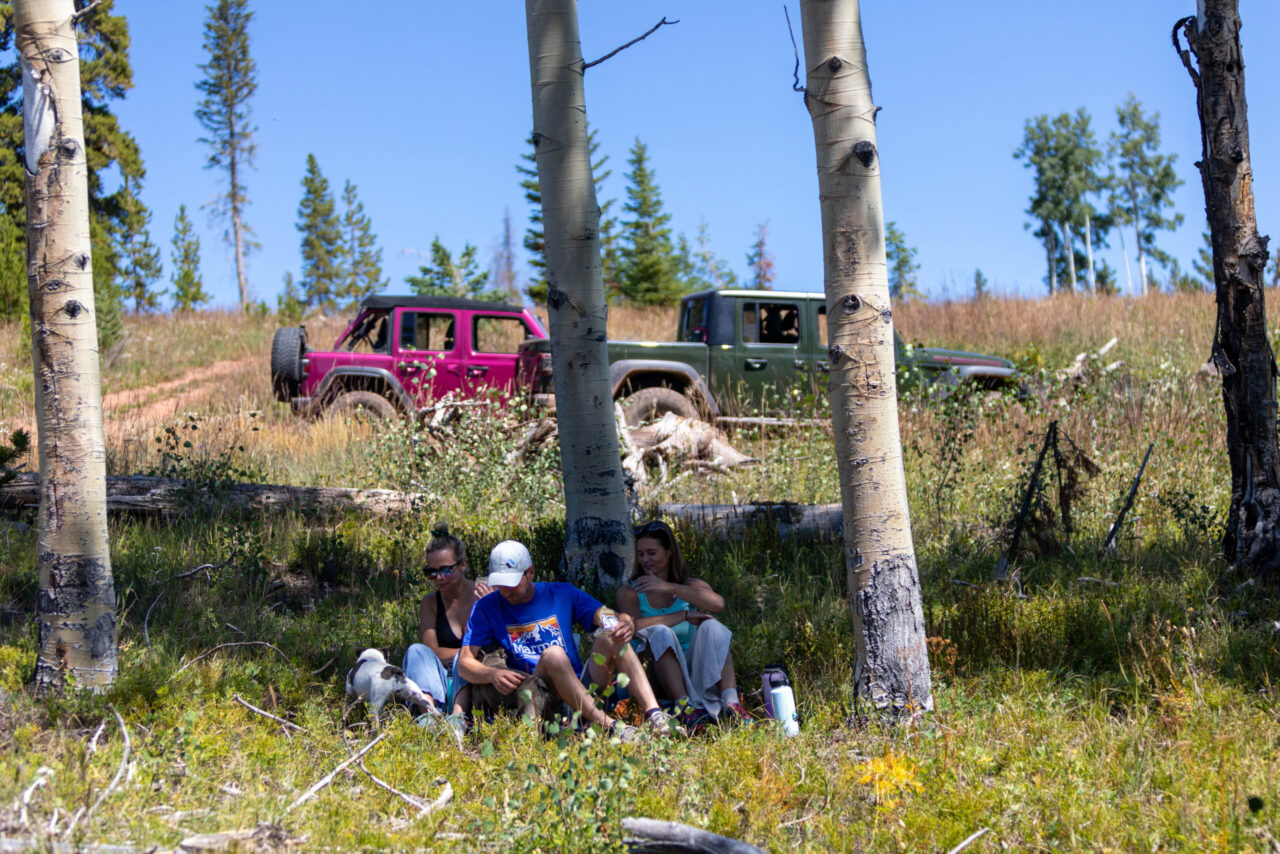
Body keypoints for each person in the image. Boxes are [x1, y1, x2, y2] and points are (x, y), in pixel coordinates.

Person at [457, 540, 684, 741]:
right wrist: (492, 674)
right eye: (501, 584)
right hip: (539, 695)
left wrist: (623, 621)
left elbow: (603, 616)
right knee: (553, 654)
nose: (506, 591)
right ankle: (611, 727)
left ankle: (655, 715)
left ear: (531, 573)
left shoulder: (561, 593)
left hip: (581, 688)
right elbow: (464, 663)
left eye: (513, 582)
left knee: (611, 635)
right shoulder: (486, 607)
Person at [617, 520, 748, 728]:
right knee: (659, 633)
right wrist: (682, 615)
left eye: (651, 553)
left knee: (712, 626)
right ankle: (684, 708)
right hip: (655, 674)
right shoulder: (631, 592)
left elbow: (718, 604)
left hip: (693, 671)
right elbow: (633, 627)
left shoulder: (690, 586)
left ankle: (731, 704)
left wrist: (668, 587)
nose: (645, 560)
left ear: (669, 552)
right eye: (640, 554)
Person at [401, 528, 491, 718]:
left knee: (464, 657)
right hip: (440, 681)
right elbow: (429, 651)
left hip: (474, 682)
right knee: (415, 651)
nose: (439, 578)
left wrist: (493, 607)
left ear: (463, 565)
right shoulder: (430, 603)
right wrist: (467, 653)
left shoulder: (484, 595)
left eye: (446, 570)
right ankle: (429, 716)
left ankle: (459, 719)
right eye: (431, 572)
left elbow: (498, 642)